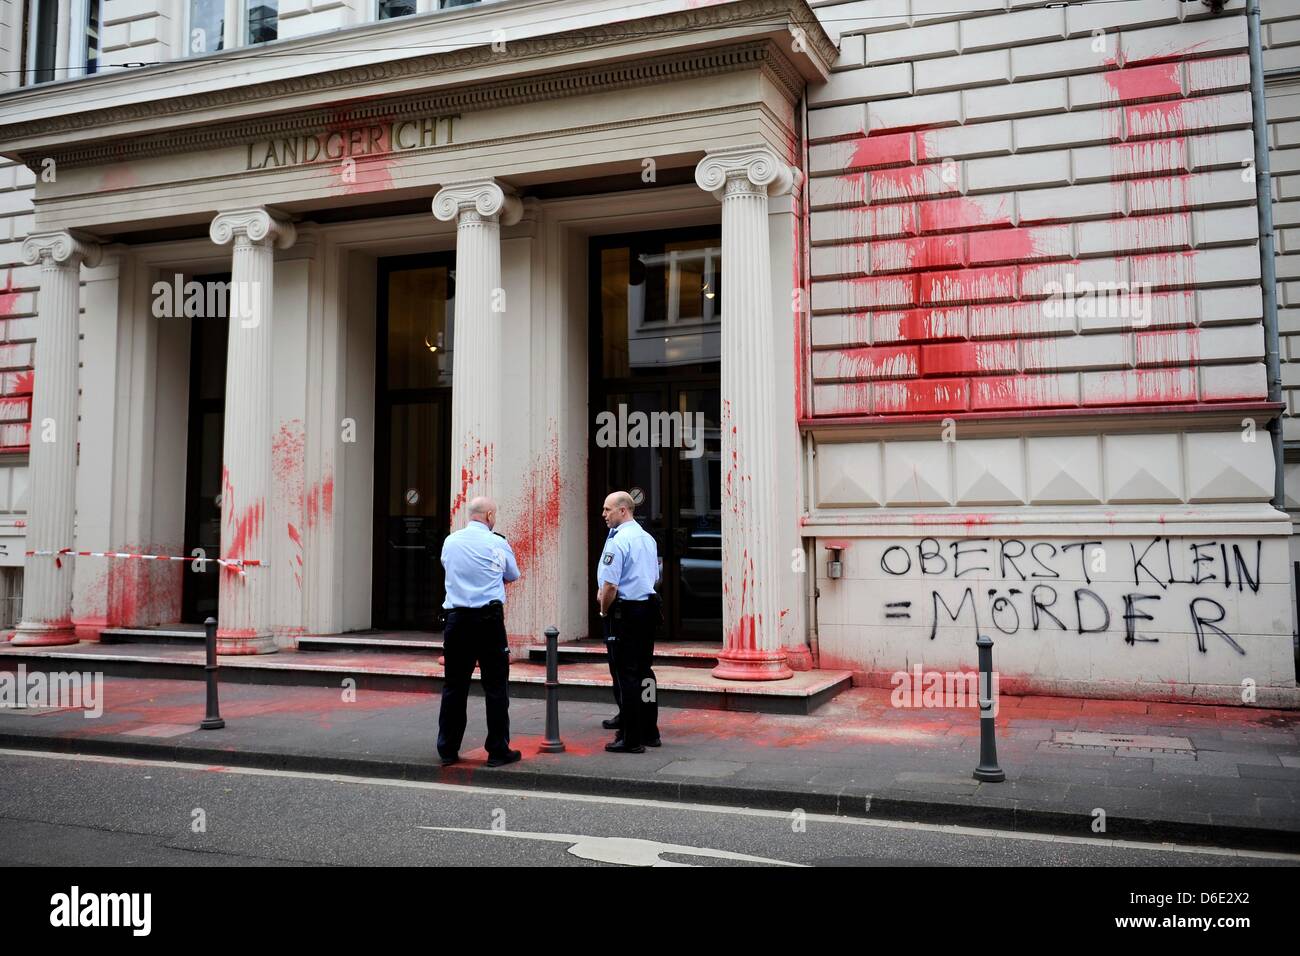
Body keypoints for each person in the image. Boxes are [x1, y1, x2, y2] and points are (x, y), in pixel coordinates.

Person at [437, 496, 522, 768]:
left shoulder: (451, 541)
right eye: (493, 515)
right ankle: (497, 750)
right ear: (488, 516)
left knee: (454, 685)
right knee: (496, 686)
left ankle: (448, 749)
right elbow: (513, 574)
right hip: (488, 621)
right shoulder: (497, 542)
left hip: (456, 620)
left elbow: (448, 567)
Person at [596, 490, 662, 753]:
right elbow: (654, 576)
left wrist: (603, 610)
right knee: (645, 672)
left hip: (624, 613)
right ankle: (650, 730)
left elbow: (610, 585)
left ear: (623, 510)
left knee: (626, 675)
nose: (604, 514)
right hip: (646, 609)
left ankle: (630, 737)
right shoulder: (647, 538)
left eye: (607, 509)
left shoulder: (619, 540)